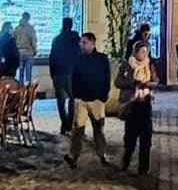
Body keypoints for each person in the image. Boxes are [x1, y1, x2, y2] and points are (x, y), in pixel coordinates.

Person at [64, 32, 112, 170]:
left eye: (84, 42)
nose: (82, 45)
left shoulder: (102, 59)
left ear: (93, 43)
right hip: (82, 101)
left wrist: (103, 96)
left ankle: (102, 154)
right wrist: (76, 95)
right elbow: (74, 78)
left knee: (99, 129)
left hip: (97, 100)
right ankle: (73, 156)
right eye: (81, 42)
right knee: (77, 130)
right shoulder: (78, 59)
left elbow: (106, 78)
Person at [117, 43, 158, 174]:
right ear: (135, 52)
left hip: (145, 103)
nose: (144, 55)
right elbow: (118, 82)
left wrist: (148, 84)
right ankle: (126, 162)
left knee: (146, 138)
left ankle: (143, 168)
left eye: (146, 52)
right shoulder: (128, 65)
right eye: (141, 52)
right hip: (131, 104)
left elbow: (156, 81)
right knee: (130, 137)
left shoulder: (149, 64)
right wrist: (132, 82)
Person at [49, 16, 81, 135]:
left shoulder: (57, 39)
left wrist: (52, 73)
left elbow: (52, 57)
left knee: (60, 101)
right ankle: (69, 124)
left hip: (58, 73)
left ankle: (64, 122)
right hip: (71, 73)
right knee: (73, 99)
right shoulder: (76, 39)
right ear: (71, 25)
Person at [14, 12, 38, 85]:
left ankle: (20, 91)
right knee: (28, 74)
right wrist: (35, 50)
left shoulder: (16, 28)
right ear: (28, 18)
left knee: (20, 73)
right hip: (28, 52)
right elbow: (33, 40)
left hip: (19, 52)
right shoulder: (30, 28)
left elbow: (13, 40)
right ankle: (28, 92)